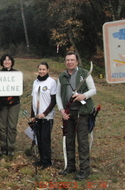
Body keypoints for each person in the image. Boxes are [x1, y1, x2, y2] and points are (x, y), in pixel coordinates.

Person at [56, 51, 96, 181]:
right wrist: (62, 110)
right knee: (69, 140)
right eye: (67, 60)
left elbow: (93, 90)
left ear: (77, 61)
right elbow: (57, 95)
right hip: (68, 114)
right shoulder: (62, 77)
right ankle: (70, 166)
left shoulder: (84, 74)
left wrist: (83, 96)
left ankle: (85, 169)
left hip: (82, 113)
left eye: (72, 60)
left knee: (82, 141)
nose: (70, 62)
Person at [30, 62, 56, 170]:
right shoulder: (35, 82)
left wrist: (45, 113)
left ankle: (47, 161)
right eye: (40, 69)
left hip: (47, 117)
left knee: (45, 139)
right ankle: (41, 159)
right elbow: (33, 100)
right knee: (39, 138)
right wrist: (33, 115)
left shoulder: (52, 82)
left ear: (47, 70)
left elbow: (53, 101)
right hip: (37, 116)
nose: (41, 71)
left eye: (44, 69)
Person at [0, 54, 21, 157]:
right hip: (2, 105)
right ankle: (3, 148)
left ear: (12, 61)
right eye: (5, 60)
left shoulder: (17, 74)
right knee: (2, 127)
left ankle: (11, 148)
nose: (7, 62)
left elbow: (20, 88)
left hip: (14, 104)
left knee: (12, 127)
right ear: (2, 62)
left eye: (9, 60)